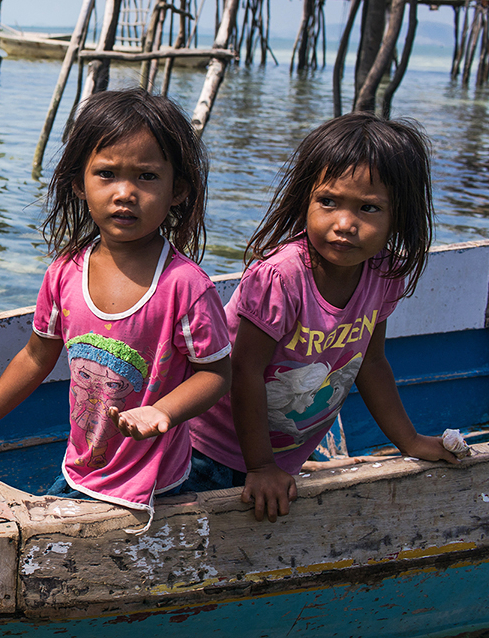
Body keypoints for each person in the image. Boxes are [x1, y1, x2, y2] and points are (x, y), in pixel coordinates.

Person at [0, 89, 231, 521]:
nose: (125, 193)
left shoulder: (185, 287)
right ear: (79, 184)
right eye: (107, 174)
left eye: (147, 177)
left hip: (158, 484)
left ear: (179, 191)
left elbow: (216, 373)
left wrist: (163, 412)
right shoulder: (64, 273)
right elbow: (36, 356)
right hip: (81, 469)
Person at [188, 113, 459, 522]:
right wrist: (261, 466)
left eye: (368, 208)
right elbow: (244, 370)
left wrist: (410, 440)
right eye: (328, 202)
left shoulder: (384, 275)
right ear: (306, 200)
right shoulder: (282, 277)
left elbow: (371, 362)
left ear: (398, 217)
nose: (344, 224)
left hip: (282, 457)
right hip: (208, 449)